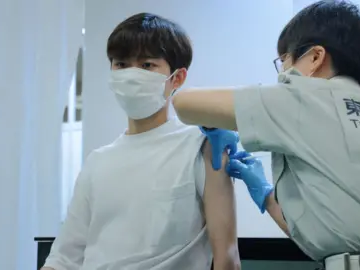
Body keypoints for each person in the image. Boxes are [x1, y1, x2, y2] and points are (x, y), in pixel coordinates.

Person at [171, 1, 360, 270]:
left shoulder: (308, 97)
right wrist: (266, 195)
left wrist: (217, 122)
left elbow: (184, 103)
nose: (282, 71)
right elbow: (343, 236)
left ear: (315, 57)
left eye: (284, 60)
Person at [42, 13, 240, 270]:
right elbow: (63, 258)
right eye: (121, 64)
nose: (131, 75)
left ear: (177, 78)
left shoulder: (202, 148)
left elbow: (227, 258)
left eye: (147, 65)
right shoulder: (98, 161)